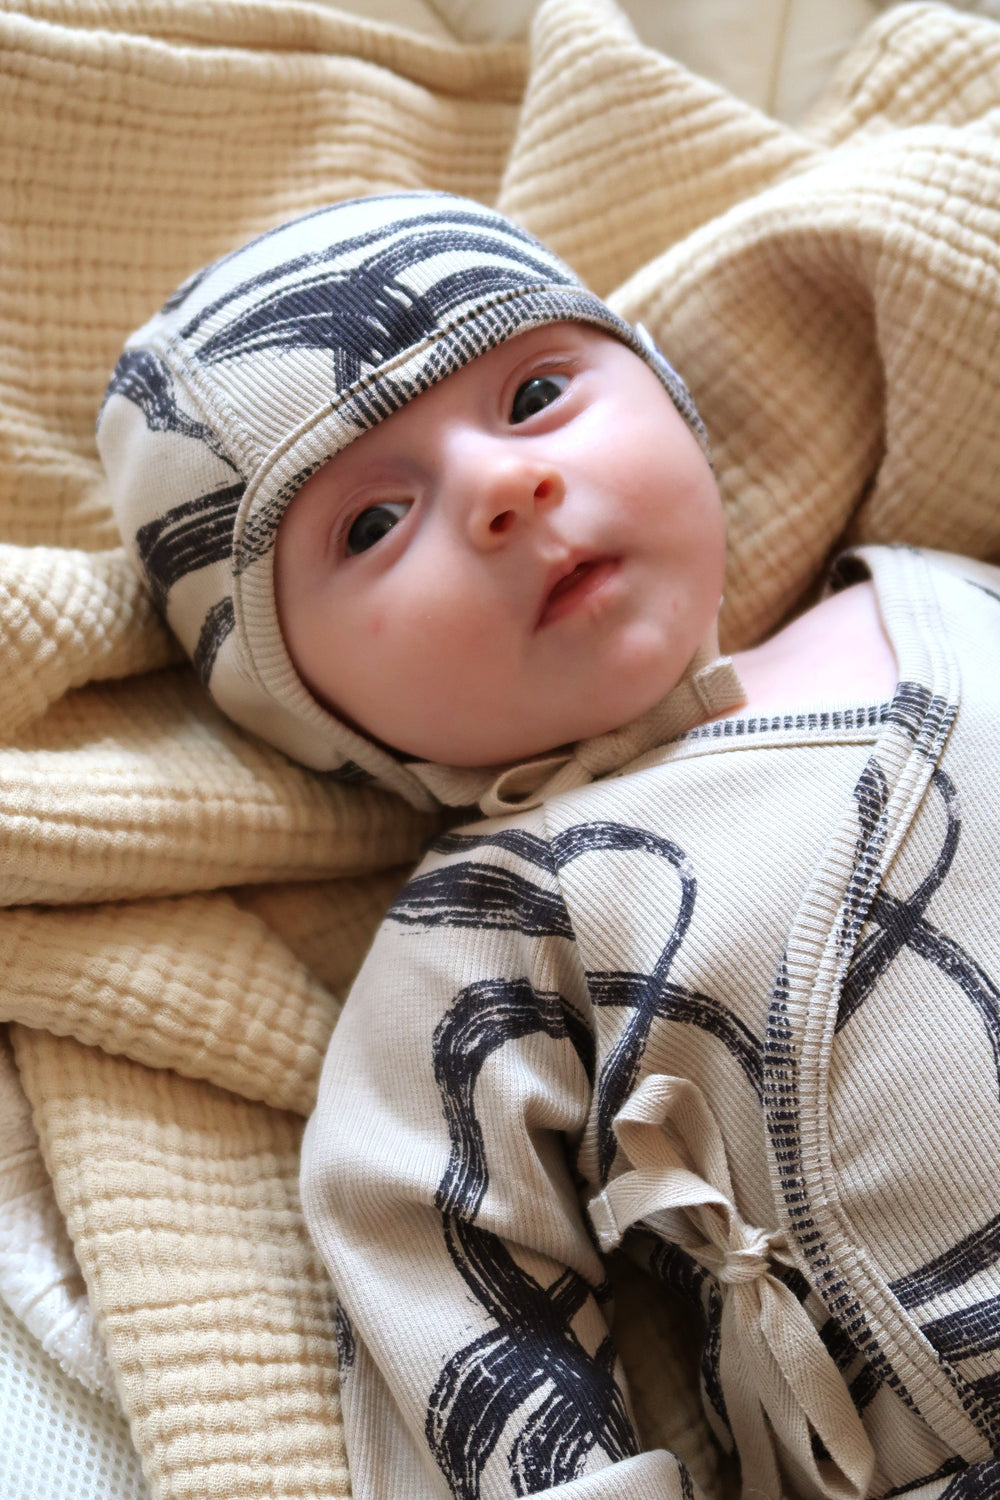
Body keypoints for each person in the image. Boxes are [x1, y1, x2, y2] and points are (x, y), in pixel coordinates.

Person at [98, 192, 1000, 1500]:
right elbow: (434, 1265)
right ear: (306, 708)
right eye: (370, 522)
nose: (507, 487)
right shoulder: (498, 909)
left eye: (533, 396)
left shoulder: (941, 588)